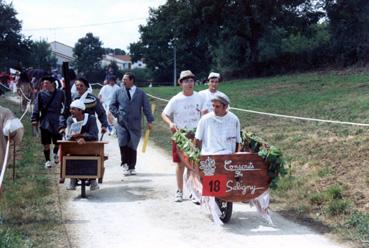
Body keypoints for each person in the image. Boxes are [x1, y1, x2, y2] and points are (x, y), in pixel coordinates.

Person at [161, 70, 205, 202]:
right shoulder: (176, 99)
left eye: (191, 80)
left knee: (194, 164)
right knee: (180, 165)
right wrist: (170, 123)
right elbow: (164, 114)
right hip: (181, 135)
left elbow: (205, 113)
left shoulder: (200, 97)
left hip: (196, 135)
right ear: (181, 83)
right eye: (186, 81)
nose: (189, 83)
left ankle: (194, 191)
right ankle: (179, 191)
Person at [109, 72, 154, 176]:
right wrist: (118, 115)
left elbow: (146, 107)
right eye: (122, 79)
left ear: (131, 80)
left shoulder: (140, 93)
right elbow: (112, 106)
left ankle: (132, 167)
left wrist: (149, 120)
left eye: (125, 79)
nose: (123, 81)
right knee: (122, 142)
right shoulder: (118, 92)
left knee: (133, 145)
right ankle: (124, 164)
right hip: (122, 123)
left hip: (135, 123)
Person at [59, 99, 100, 190]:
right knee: (69, 156)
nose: (71, 111)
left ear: (80, 110)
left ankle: (93, 180)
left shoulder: (91, 118)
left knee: (94, 156)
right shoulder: (70, 119)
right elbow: (70, 135)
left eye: (73, 109)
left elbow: (94, 134)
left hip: (90, 147)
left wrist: (82, 136)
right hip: (74, 147)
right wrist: (77, 138)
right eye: (70, 109)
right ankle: (72, 180)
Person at [31, 76, 65, 168]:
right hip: (45, 120)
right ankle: (47, 160)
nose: (44, 85)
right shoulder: (41, 94)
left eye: (46, 83)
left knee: (57, 141)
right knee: (46, 143)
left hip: (58, 119)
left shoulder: (60, 93)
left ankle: (55, 153)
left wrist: (66, 115)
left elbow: (66, 104)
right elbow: (36, 107)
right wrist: (34, 119)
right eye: (43, 83)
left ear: (52, 83)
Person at [0, 106, 24, 172]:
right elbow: (17, 137)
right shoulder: (4, 112)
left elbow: (15, 133)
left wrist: (12, 129)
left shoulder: (5, 113)